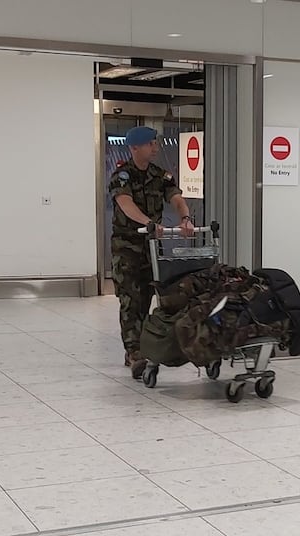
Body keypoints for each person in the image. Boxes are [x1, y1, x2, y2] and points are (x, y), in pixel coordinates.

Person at [109, 125, 194, 379]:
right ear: (135, 147)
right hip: (126, 248)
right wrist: (148, 223)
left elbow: (176, 197)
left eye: (155, 143)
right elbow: (125, 205)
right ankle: (134, 351)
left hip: (151, 248)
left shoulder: (160, 175)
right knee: (130, 300)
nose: (155, 147)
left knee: (150, 296)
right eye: (150, 144)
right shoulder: (122, 176)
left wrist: (185, 218)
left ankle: (147, 345)